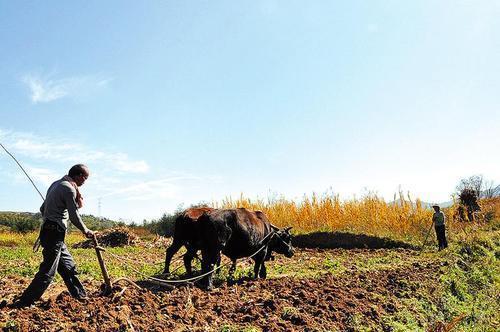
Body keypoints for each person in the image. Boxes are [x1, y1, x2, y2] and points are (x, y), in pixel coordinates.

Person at [10, 164, 94, 308]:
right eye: (84, 178)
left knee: (68, 266)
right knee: (48, 271)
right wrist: (86, 230)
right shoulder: (68, 188)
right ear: (79, 175)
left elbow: (42, 208)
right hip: (54, 233)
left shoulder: (56, 184)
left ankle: (80, 296)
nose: (84, 182)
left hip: (51, 232)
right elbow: (74, 216)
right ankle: (25, 301)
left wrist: (52, 216)